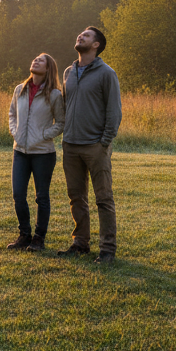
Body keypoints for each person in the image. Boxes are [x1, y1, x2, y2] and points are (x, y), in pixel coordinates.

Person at [57, 26, 122, 264]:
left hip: (95, 146)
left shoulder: (107, 73)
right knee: (76, 197)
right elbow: (65, 105)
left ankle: (107, 250)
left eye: (86, 35)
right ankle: (80, 243)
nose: (80, 36)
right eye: (80, 34)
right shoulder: (68, 72)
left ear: (96, 45)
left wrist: (104, 141)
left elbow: (114, 111)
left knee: (103, 199)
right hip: (70, 145)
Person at [5, 53, 65, 251]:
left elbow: (61, 123)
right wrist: (15, 132)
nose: (36, 61)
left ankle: (39, 238)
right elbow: (12, 114)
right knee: (18, 195)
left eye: (41, 61)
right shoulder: (19, 90)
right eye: (35, 59)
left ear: (48, 69)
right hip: (20, 151)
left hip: (43, 153)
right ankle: (24, 235)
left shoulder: (55, 95)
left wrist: (44, 135)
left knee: (42, 197)